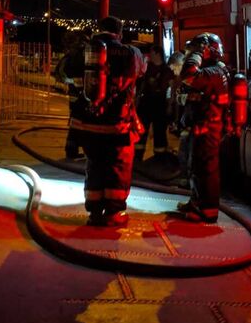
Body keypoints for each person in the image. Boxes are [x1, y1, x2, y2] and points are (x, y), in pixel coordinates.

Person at [69, 16, 146, 226]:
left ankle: (94, 213)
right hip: (117, 125)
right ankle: (114, 213)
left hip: (86, 123)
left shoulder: (83, 51)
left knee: (94, 164)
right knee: (118, 166)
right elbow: (142, 70)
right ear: (119, 33)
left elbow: (63, 73)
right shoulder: (131, 53)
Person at [177, 33, 230, 223]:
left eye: (199, 49)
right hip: (204, 128)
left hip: (208, 130)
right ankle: (196, 203)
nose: (195, 52)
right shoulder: (214, 71)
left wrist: (197, 54)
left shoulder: (213, 72)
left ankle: (207, 211)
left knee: (206, 169)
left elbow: (188, 75)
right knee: (197, 168)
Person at [134, 45, 175, 161]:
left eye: (151, 52)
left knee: (160, 131)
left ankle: (159, 158)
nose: (149, 55)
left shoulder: (167, 70)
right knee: (141, 130)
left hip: (159, 103)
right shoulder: (147, 68)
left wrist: (170, 105)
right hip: (146, 103)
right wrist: (137, 101)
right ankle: (137, 157)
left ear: (157, 53)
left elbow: (172, 88)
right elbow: (142, 86)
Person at [56, 31, 89, 159]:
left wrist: (73, 82)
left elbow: (61, 74)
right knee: (86, 125)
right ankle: (85, 151)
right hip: (84, 96)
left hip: (74, 95)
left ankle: (71, 151)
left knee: (75, 123)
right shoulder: (84, 54)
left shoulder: (70, 55)